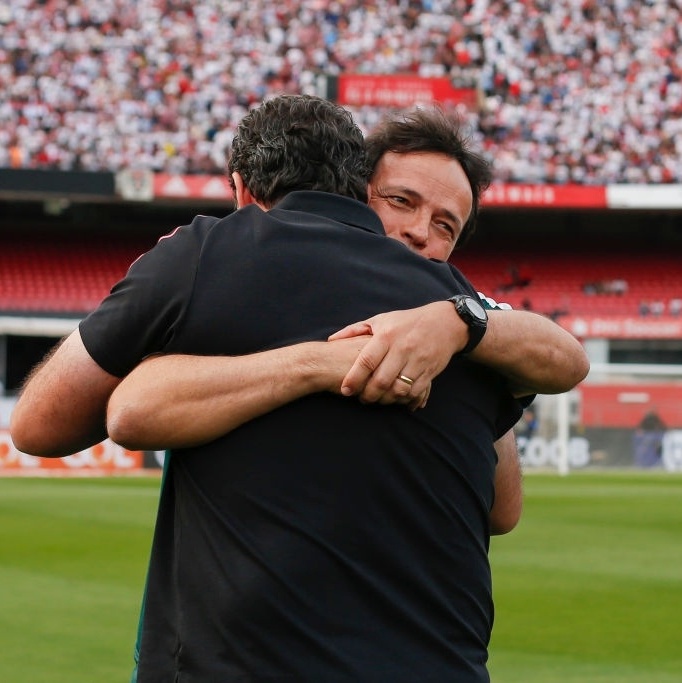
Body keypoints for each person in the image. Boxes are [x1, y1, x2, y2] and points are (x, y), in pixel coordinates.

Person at [10, 96, 588, 681]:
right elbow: (503, 505)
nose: (418, 233)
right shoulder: (469, 310)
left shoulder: (465, 317)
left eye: (446, 226)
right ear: (355, 189)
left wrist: (461, 325)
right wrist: (326, 361)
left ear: (241, 191)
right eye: (401, 202)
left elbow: (48, 423)